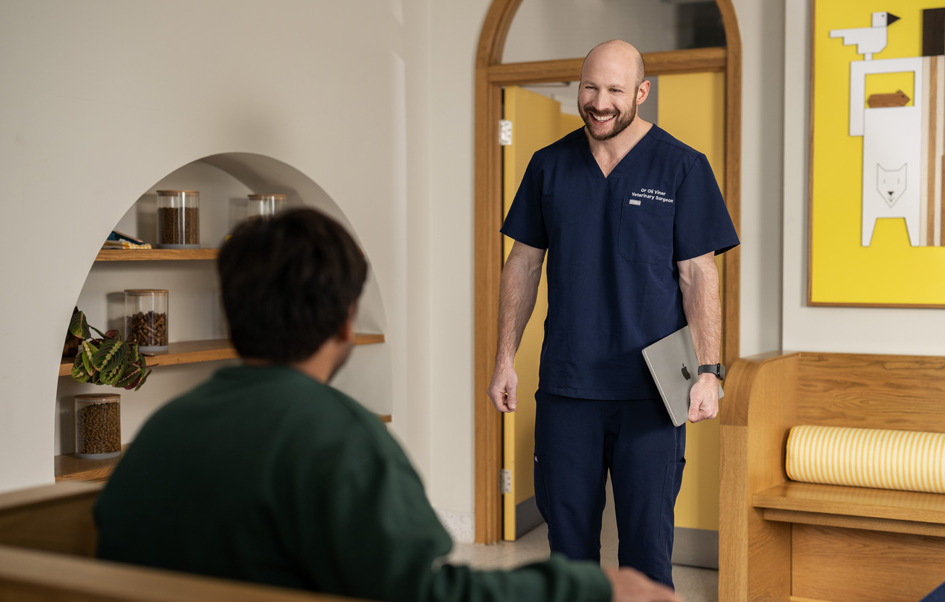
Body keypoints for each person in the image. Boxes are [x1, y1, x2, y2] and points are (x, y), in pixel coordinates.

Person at [94, 207, 683, 602]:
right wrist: (595, 589)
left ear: (232, 311)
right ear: (346, 322)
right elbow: (429, 595)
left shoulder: (161, 433)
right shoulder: (339, 440)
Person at [487, 39, 739, 589]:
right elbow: (522, 266)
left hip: (653, 391)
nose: (600, 102)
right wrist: (505, 358)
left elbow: (700, 276)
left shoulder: (682, 167)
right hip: (568, 387)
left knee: (647, 553)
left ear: (642, 93)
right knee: (568, 555)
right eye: (590, 88)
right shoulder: (548, 166)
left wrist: (709, 371)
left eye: (615, 91)